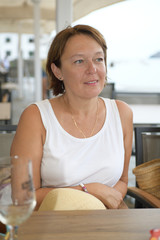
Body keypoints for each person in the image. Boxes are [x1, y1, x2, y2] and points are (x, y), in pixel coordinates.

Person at [10, 24, 133, 210]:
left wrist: (104, 204)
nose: (92, 69)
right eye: (79, 61)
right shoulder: (36, 117)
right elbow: (22, 196)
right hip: (53, 228)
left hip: (110, 224)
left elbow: (123, 180)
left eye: (99, 59)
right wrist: (89, 191)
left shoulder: (122, 113)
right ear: (57, 71)